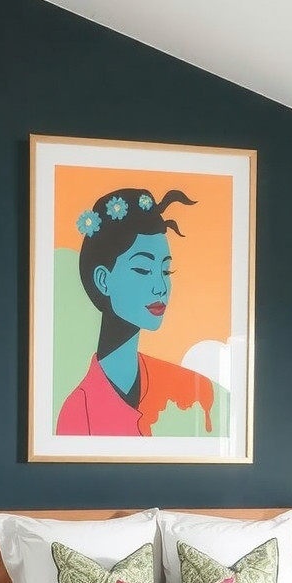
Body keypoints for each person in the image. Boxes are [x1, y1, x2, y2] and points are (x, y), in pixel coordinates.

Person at [56, 187, 219, 437]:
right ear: (103, 280)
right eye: (143, 269)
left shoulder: (193, 391)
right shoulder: (78, 410)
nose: (161, 287)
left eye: (166, 272)